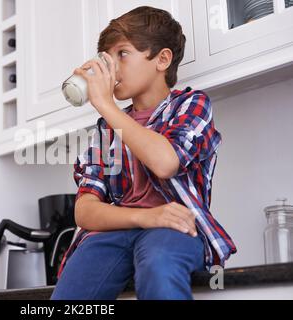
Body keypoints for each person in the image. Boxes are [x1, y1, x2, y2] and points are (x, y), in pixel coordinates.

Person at [50, 6, 237, 300]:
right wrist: (146, 216)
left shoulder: (190, 105)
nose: (112, 68)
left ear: (162, 59)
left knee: (159, 266)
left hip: (174, 230)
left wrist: (106, 106)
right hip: (117, 232)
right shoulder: (107, 129)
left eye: (122, 54)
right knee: (72, 290)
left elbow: (165, 163)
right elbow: (85, 212)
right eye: (106, 59)